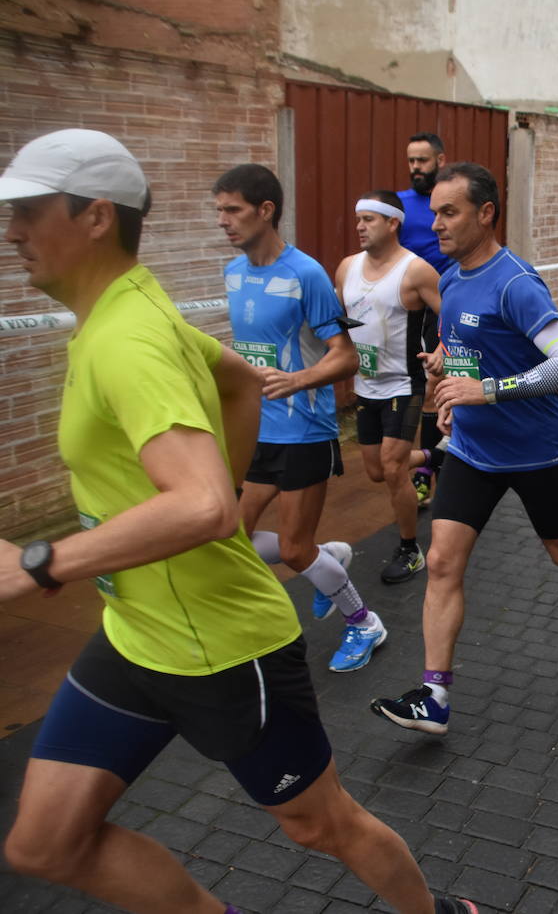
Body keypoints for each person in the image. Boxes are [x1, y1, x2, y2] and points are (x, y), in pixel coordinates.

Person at [0, 128, 478, 914]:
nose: (12, 232)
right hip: (137, 634)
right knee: (44, 843)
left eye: (29, 212)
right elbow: (240, 383)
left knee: (320, 825)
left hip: (220, 647)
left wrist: (45, 562)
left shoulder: (127, 339)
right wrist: (175, 511)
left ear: (94, 218)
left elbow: (200, 506)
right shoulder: (122, 312)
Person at [371, 162, 558, 735]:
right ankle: (435, 696)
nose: (438, 223)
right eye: (434, 212)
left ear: (486, 214)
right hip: (474, 451)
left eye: (450, 212)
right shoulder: (449, 279)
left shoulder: (515, 284)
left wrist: (490, 389)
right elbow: (465, 350)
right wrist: (446, 376)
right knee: (443, 562)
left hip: (535, 452)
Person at [215, 164, 386, 674]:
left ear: (266, 211)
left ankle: (364, 622)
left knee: (291, 549)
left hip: (305, 429)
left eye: (233, 210)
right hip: (257, 430)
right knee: (231, 537)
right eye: (219, 211)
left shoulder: (304, 274)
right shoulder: (234, 274)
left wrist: (298, 380)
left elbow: (345, 355)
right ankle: (325, 555)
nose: (223, 221)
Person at [336, 190, 443, 583]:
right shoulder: (347, 268)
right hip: (366, 384)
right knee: (376, 471)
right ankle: (432, 458)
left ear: (393, 222)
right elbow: (340, 323)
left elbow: (451, 314)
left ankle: (410, 549)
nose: (360, 226)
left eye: (369, 219)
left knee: (393, 467)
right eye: (358, 219)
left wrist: (442, 352)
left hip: (404, 383)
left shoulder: (416, 271)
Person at [398, 133, 452, 509]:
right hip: (412, 311)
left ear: (440, 160)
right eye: (411, 161)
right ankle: (428, 468)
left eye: (423, 160)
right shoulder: (398, 206)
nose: (416, 167)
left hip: (448, 304)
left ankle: (432, 469)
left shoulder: (450, 203)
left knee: (442, 384)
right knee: (427, 388)